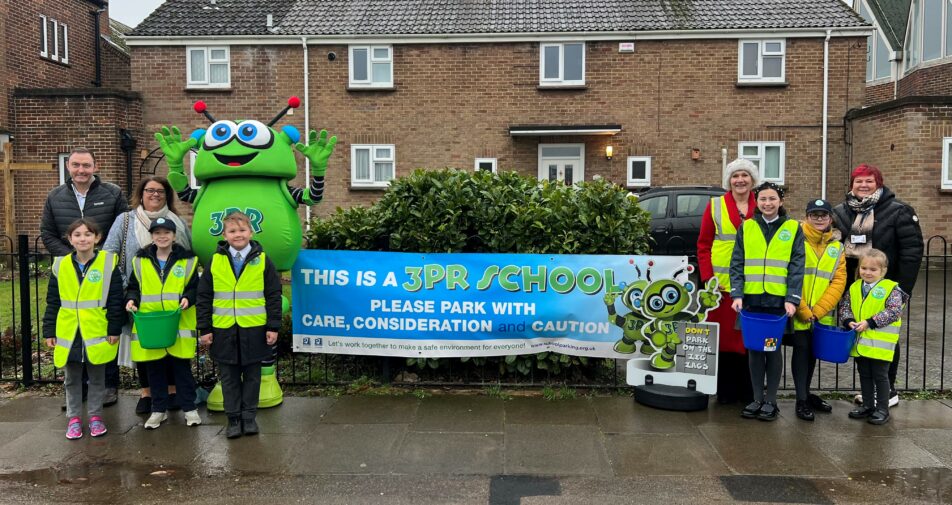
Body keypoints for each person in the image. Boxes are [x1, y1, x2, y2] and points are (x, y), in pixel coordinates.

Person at [41, 148, 127, 407]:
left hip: (102, 267)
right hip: (69, 270)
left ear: (95, 166)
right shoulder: (55, 196)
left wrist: (96, 257)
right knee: (75, 329)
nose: (81, 170)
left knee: (102, 327)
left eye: (86, 165)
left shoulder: (112, 193)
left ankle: (109, 385)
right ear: (68, 166)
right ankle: (76, 393)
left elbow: (123, 226)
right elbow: (47, 233)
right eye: (76, 165)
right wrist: (73, 257)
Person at [832, 164, 923, 407]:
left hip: (887, 287)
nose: (863, 185)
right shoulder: (841, 211)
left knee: (885, 339)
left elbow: (912, 253)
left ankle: (888, 391)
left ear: (879, 184)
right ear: (852, 184)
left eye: (869, 181)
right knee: (862, 338)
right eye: (858, 181)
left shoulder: (899, 211)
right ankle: (870, 392)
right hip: (855, 288)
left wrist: (903, 290)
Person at [104, 176, 191, 415]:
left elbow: (189, 255)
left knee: (173, 342)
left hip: (173, 299)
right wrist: (125, 286)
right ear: (141, 194)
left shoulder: (178, 222)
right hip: (138, 297)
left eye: (160, 191)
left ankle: (173, 391)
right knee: (144, 345)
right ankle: (147, 393)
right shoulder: (125, 220)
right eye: (150, 190)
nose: (155, 195)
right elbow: (109, 254)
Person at [197, 211, 282, 439]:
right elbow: (204, 296)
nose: (238, 235)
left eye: (242, 230)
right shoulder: (215, 261)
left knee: (253, 376)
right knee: (229, 378)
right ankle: (233, 418)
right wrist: (204, 329)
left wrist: (273, 326)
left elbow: (274, 294)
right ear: (224, 235)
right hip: (224, 329)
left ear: (251, 232)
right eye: (232, 231)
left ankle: (249, 417)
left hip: (254, 328)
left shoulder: (262, 260)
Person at [729, 182, 805, 421]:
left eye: (772, 199)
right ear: (757, 202)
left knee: (772, 349)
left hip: (777, 302)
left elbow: (796, 265)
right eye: (763, 199)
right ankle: (756, 399)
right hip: (751, 300)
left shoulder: (793, 228)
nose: (767, 203)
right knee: (753, 350)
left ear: (780, 202)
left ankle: (771, 401)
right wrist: (737, 293)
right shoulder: (747, 226)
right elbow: (737, 262)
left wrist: (792, 298)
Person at [42, 219, 124, 439]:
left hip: (96, 331)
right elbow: (53, 301)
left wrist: (114, 329)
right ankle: (75, 419)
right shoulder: (61, 265)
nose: (83, 239)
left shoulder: (107, 263)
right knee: (72, 379)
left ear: (97, 238)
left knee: (98, 378)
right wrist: (49, 331)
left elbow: (116, 299)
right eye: (77, 235)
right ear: (70, 239)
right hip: (69, 333)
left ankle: (96, 417)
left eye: (88, 234)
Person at [125, 218, 201, 430]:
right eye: (157, 232)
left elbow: (195, 287)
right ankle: (158, 410)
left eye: (166, 232)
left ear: (174, 235)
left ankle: (189, 408)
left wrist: (189, 297)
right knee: (154, 370)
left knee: (181, 370)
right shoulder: (140, 261)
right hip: (151, 325)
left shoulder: (187, 261)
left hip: (178, 324)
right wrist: (131, 300)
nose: (162, 236)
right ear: (151, 236)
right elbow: (133, 288)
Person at [697, 158, 758, 405]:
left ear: (752, 180)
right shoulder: (714, 206)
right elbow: (703, 245)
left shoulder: (764, 204)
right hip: (721, 287)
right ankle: (725, 392)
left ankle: (750, 392)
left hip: (754, 285)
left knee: (748, 341)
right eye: (735, 176)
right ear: (728, 180)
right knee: (724, 340)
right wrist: (707, 279)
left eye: (745, 175)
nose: (740, 180)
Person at [790, 199, 846, 421]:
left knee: (812, 352)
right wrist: (803, 308)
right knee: (802, 351)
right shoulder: (796, 240)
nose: (819, 218)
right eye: (814, 215)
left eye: (824, 215)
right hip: (797, 309)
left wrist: (819, 310)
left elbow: (839, 281)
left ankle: (805, 393)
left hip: (820, 313)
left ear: (831, 218)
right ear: (806, 217)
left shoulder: (837, 246)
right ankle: (801, 400)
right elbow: (788, 274)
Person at [839, 249, 907, 425]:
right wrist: (849, 321)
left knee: (880, 376)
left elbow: (893, 311)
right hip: (861, 342)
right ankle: (868, 405)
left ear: (883, 270)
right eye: (864, 268)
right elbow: (845, 306)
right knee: (864, 374)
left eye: (873, 269)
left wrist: (870, 322)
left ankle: (882, 409)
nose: (867, 272)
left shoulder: (891, 288)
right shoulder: (854, 287)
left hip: (880, 345)